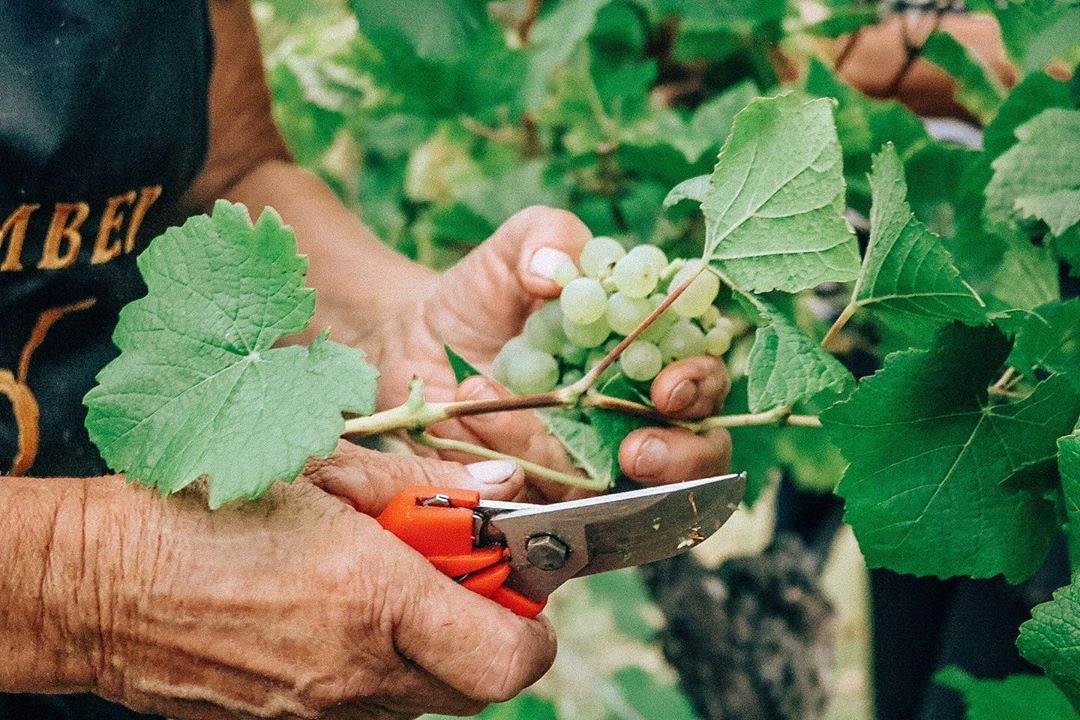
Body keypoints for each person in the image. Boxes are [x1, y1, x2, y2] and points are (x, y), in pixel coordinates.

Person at [0, 2, 733, 719]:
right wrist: (89, 587)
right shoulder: (109, 593)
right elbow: (100, 585)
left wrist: (394, 336)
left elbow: (227, 171)